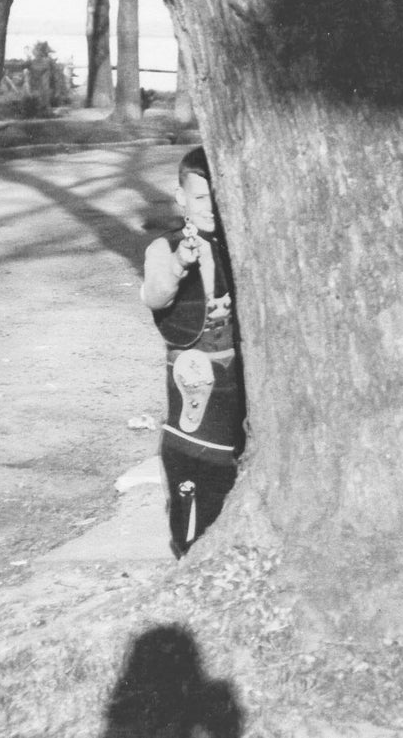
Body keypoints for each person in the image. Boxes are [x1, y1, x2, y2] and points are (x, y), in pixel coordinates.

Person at [141, 146, 246, 557]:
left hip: (237, 380)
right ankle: (188, 549)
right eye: (201, 198)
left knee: (232, 460)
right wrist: (179, 265)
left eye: (218, 199)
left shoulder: (232, 244)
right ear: (181, 196)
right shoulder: (165, 247)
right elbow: (155, 296)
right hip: (195, 380)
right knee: (196, 465)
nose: (211, 209)